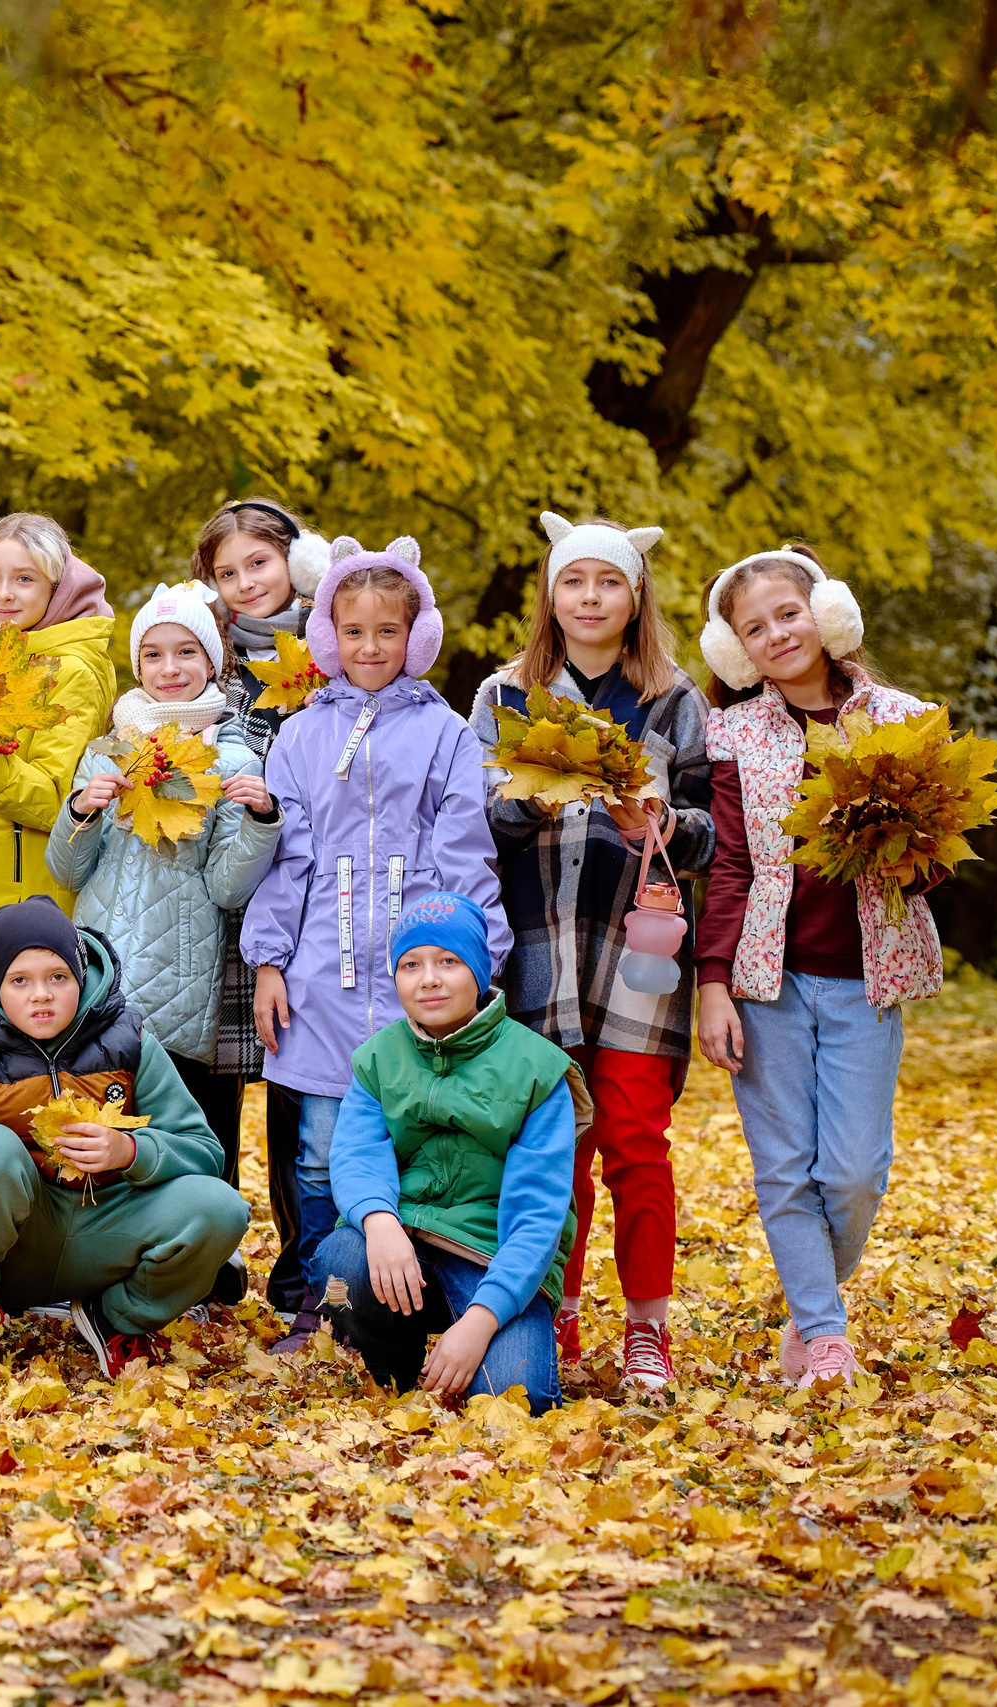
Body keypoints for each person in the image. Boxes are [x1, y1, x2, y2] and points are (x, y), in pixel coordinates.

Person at [239, 535, 506, 1348]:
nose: (369, 647)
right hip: (321, 971)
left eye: (387, 631)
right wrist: (270, 962)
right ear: (328, 635)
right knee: (318, 1154)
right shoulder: (300, 737)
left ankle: (406, 1300)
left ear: (416, 636)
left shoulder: (448, 734)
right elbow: (286, 859)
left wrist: (479, 956)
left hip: (416, 970)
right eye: (353, 631)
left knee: (412, 1138)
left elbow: (466, 850)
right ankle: (323, 1306)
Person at [469, 512, 713, 1392]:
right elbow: (474, 828)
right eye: (574, 581)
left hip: (634, 959)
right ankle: (556, 1313)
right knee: (553, 1148)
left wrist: (660, 825)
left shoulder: (674, 700)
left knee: (637, 1143)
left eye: (608, 582)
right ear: (550, 594)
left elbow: (710, 836)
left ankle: (647, 1326)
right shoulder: (505, 695)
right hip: (536, 957)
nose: (590, 597)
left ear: (634, 594)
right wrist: (531, 801)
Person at [694, 545, 940, 1388]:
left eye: (788, 614)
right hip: (767, 982)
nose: (775, 634)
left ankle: (810, 1304)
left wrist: (902, 846)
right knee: (784, 1167)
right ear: (736, 650)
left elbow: (941, 857)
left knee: (853, 1172)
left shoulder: (904, 718)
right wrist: (714, 982)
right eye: (753, 628)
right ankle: (825, 1333)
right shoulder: (731, 731)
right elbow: (727, 864)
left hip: (868, 980)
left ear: (828, 613)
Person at [0, 897, 251, 1379]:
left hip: (106, 1228)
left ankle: (118, 1319)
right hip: (15, 1248)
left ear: (80, 975)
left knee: (222, 1207)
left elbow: (203, 1149)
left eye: (58, 977)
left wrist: (129, 1151)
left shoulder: (129, 1043)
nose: (41, 995)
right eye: (19, 980)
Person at [48, 579, 282, 1305]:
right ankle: (93, 1258)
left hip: (183, 981)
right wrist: (80, 811)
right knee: (96, 1123)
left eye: (187, 651)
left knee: (187, 1133)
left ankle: (201, 1266)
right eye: (153, 652)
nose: (170, 665)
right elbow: (67, 868)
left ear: (212, 662)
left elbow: (226, 888)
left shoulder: (231, 759)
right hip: (102, 975)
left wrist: (259, 822)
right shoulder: (106, 751)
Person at [315, 893, 583, 1415]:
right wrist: (380, 1223)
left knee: (517, 1400)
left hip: (491, 1260)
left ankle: (479, 1339)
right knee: (340, 1265)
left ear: (480, 972)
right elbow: (356, 1155)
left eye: (448, 962)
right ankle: (395, 1363)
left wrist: (482, 1320)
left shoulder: (537, 1069)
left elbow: (538, 1216)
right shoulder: (378, 1058)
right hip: (406, 1244)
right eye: (410, 964)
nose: (428, 979)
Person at [190, 499, 327, 1312]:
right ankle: (209, 1264)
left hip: (305, 902)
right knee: (211, 1085)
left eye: (260, 564)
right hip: (221, 903)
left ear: (293, 561)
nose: (246, 583)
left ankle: (303, 1266)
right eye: (227, 571)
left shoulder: (331, 650)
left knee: (297, 1090)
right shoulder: (208, 665)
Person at [0, 512, 115, 912]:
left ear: (57, 589)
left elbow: (59, 801)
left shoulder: (70, 671)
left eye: (24, 579)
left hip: (28, 899)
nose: (3, 594)